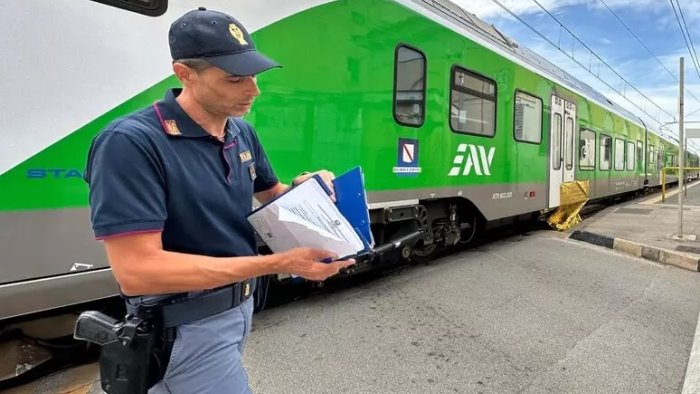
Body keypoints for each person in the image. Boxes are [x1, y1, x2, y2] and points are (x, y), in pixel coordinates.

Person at [84, 7, 355, 393]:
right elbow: (137, 270)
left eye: (254, 76)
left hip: (237, 312)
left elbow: (271, 194)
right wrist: (277, 263)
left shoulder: (241, 133)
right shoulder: (131, 143)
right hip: (183, 327)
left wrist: (305, 186)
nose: (254, 90)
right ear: (185, 74)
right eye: (235, 79)